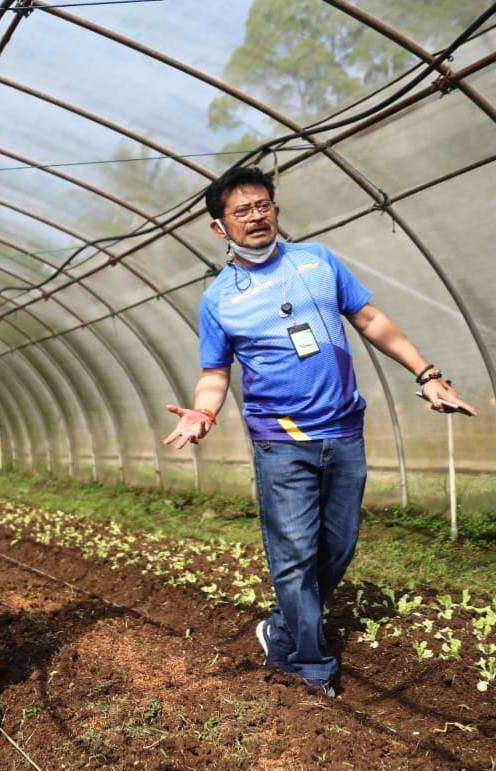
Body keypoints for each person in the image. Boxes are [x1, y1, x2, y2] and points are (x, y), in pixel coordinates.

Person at [164, 165, 474, 697]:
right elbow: (216, 374)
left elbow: (371, 320)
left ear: (276, 211)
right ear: (220, 228)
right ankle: (310, 664)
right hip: (280, 440)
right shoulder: (221, 299)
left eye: (263, 205)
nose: (256, 217)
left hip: (343, 430)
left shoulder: (318, 262)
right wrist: (204, 413)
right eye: (242, 211)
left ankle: (281, 627)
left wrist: (427, 375)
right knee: (294, 555)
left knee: (340, 545)